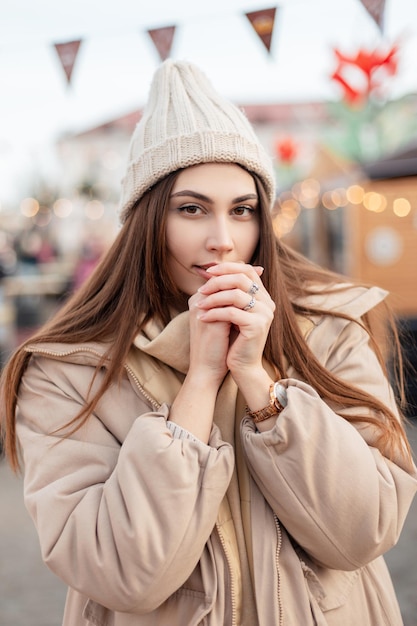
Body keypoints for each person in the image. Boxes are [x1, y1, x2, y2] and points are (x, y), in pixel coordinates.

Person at [1, 59, 416, 626]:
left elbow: (363, 530)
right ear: (147, 221)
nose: (223, 241)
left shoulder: (332, 328)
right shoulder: (67, 371)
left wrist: (259, 381)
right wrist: (198, 383)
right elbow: (120, 570)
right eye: (191, 208)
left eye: (242, 210)